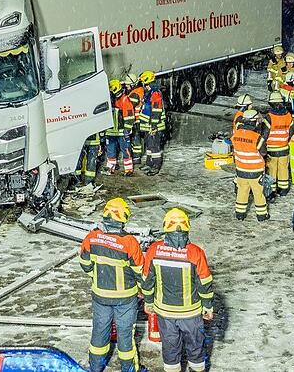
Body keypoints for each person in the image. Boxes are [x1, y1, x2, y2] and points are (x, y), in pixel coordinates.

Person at [142, 208, 214, 372]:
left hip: (165, 312)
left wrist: (148, 301)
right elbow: (205, 283)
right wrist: (208, 306)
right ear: (187, 227)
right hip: (191, 313)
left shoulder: (154, 250)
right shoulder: (196, 253)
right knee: (195, 348)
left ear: (166, 227)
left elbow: (147, 281)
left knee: (170, 347)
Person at [79, 199, 144, 372]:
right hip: (125, 298)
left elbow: (85, 264)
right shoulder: (130, 242)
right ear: (123, 218)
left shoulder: (92, 237)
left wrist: (98, 277)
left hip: (100, 296)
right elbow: (140, 272)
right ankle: (129, 369)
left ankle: (95, 368)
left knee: (99, 333)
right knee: (125, 337)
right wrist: (143, 291)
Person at [231, 110, 269, 221]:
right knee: (258, 193)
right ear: (253, 121)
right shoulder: (256, 137)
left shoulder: (236, 135)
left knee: (242, 191)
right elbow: (263, 152)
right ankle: (262, 215)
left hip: (241, 170)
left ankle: (240, 214)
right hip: (255, 171)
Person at [265, 90, 294, 200]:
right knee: (283, 168)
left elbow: (264, 134)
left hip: (272, 148)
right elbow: (292, 132)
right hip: (284, 147)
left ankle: (272, 190)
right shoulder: (288, 115)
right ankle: (283, 189)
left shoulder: (269, 117)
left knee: (272, 170)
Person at [138, 70, 167, 176]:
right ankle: (149, 163)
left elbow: (156, 111)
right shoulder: (150, 93)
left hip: (154, 126)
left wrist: (154, 126)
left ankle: (156, 165)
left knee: (155, 147)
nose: (143, 86)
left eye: (144, 84)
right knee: (149, 146)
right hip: (148, 126)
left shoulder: (155, 93)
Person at [105, 79, 135, 177]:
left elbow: (129, 116)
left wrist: (128, 129)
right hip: (111, 131)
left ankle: (129, 169)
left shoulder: (125, 99)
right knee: (110, 151)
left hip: (121, 131)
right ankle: (110, 168)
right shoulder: (110, 100)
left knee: (125, 150)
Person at [124, 73, 145, 164]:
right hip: (139, 119)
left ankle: (136, 158)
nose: (126, 86)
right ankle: (137, 157)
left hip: (136, 120)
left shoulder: (134, 94)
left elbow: (130, 107)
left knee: (136, 139)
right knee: (137, 139)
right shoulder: (139, 90)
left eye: (127, 84)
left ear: (133, 84)